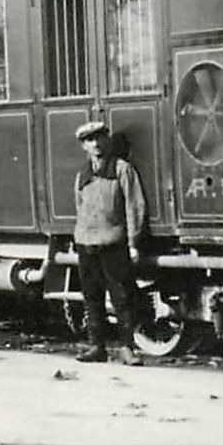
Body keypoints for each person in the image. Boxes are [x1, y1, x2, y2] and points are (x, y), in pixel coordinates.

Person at [72, 121, 148, 366]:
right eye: (89, 140)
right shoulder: (82, 175)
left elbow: (134, 206)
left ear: (107, 139)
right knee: (92, 297)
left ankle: (126, 348)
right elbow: (80, 206)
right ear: (84, 146)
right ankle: (97, 347)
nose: (95, 144)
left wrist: (133, 242)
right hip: (86, 243)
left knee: (122, 297)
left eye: (99, 138)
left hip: (113, 243)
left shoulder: (122, 169)